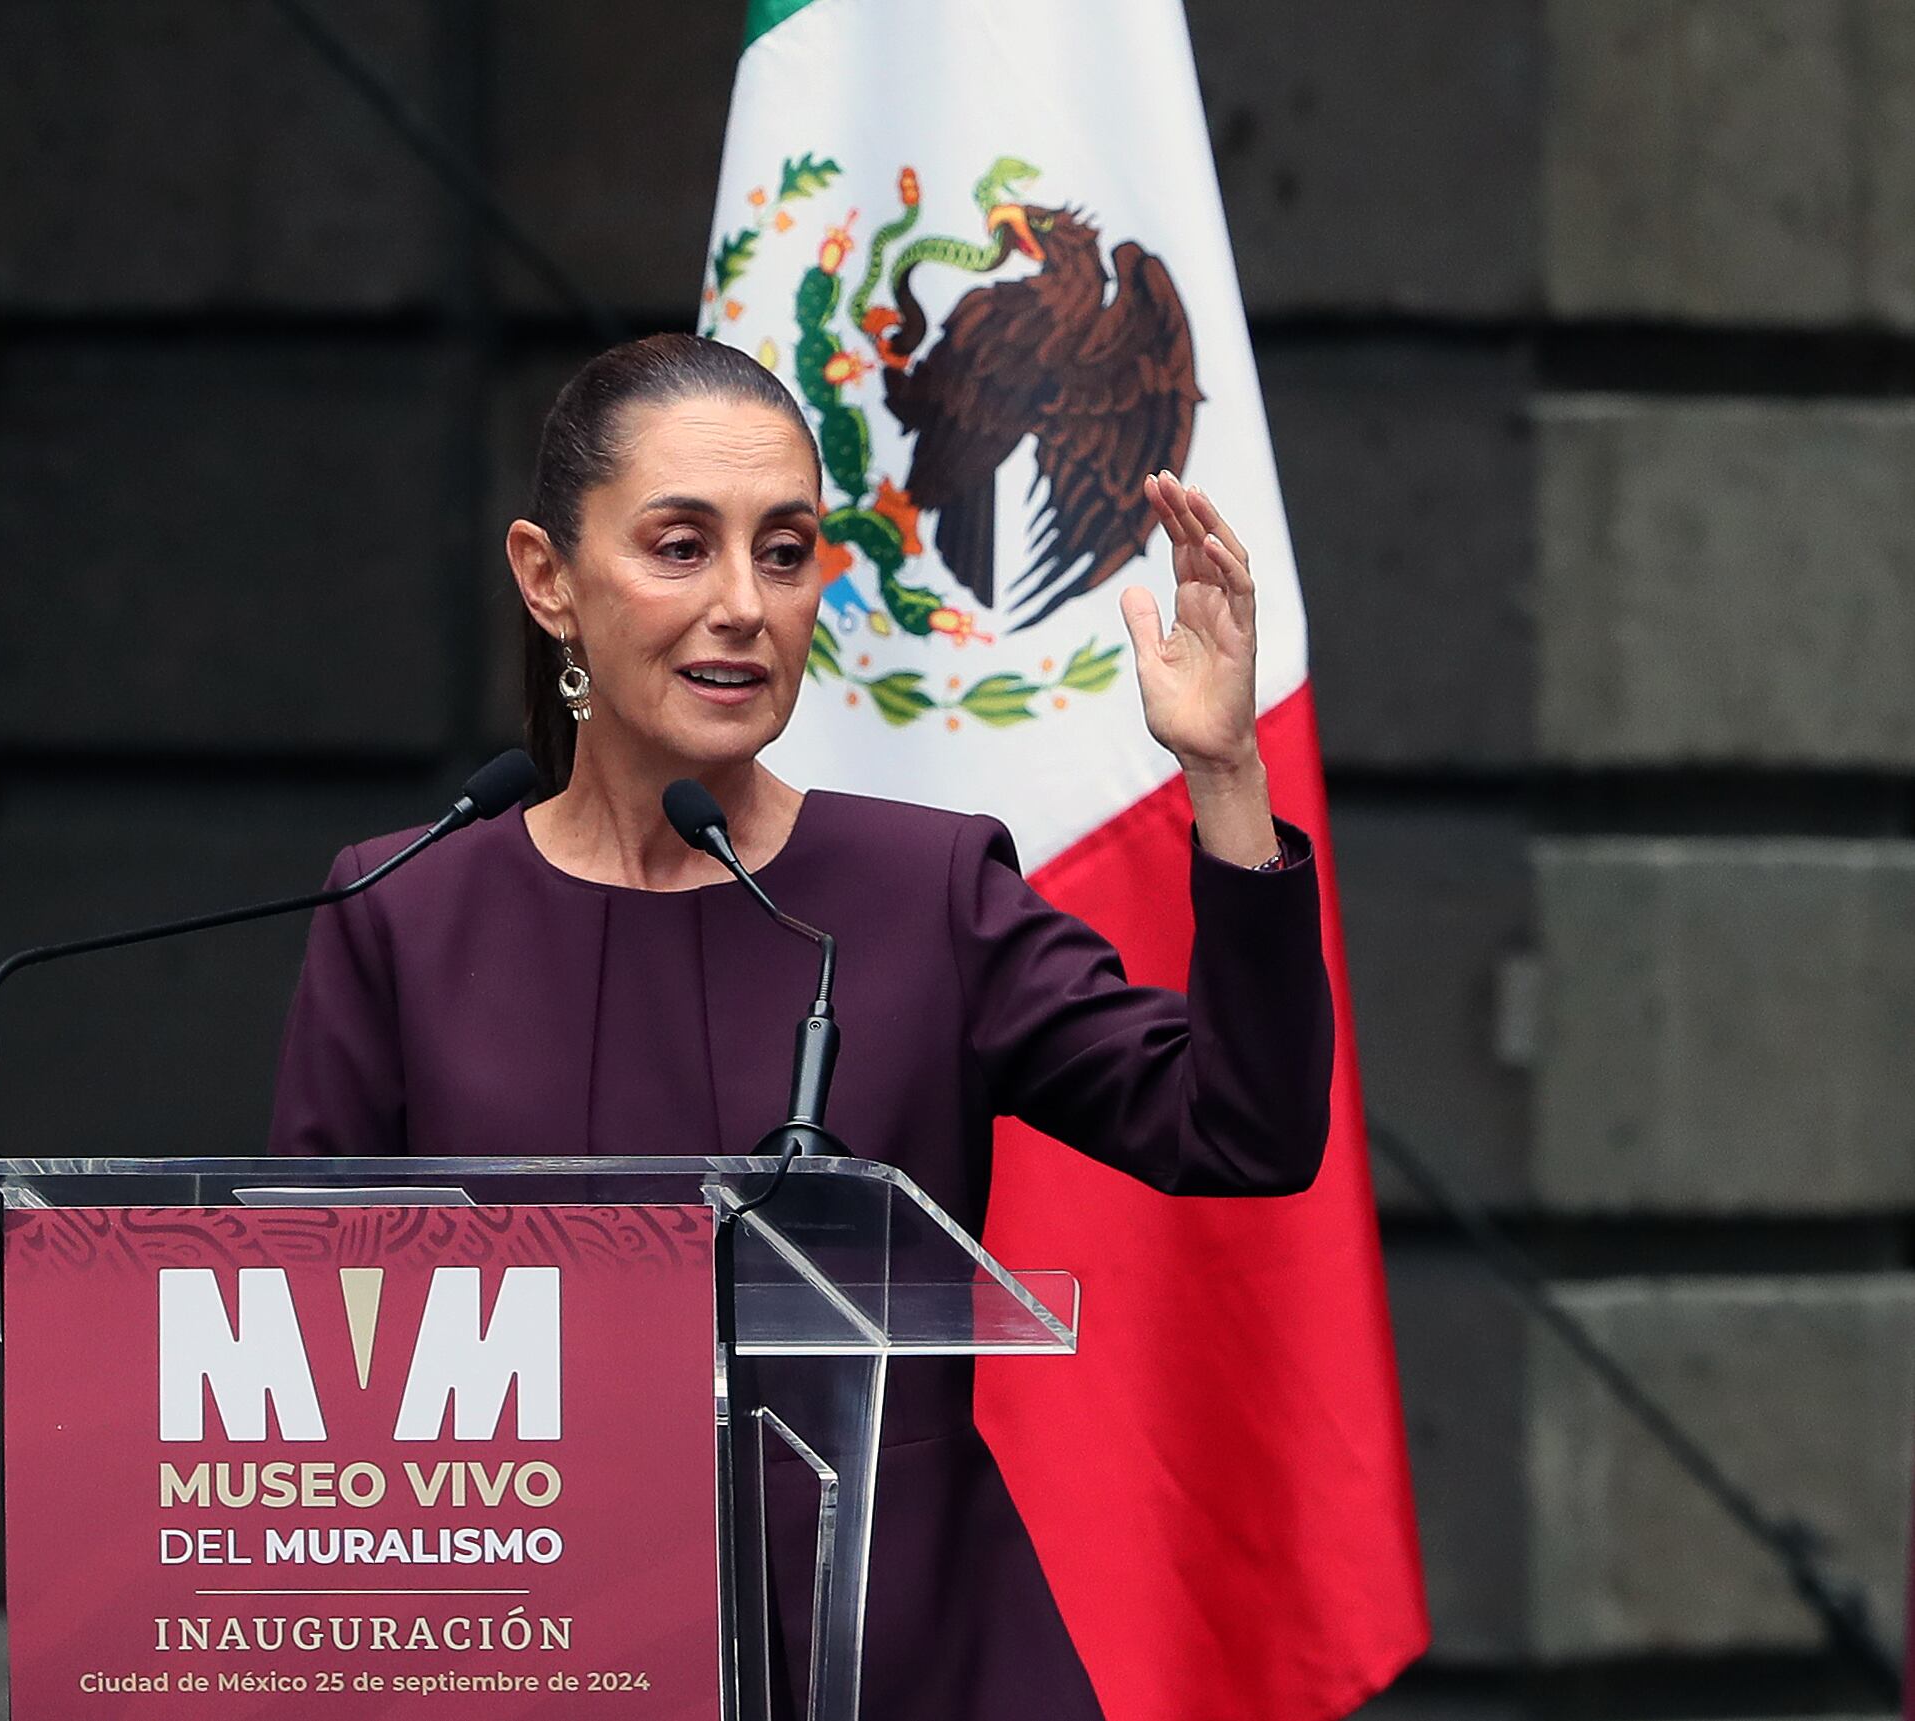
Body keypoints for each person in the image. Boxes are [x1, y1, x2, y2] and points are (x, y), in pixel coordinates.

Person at [268, 332, 1331, 1720]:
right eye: (678, 546)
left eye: (784, 552)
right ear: (548, 578)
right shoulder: (404, 909)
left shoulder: (925, 890)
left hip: (905, 1659)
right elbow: (295, 1340)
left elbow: (1241, 1129)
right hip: (534, 1660)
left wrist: (1225, 771)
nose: (742, 605)